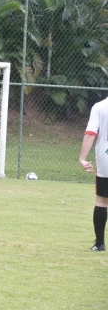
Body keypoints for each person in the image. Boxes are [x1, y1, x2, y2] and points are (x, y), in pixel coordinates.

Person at [79, 97, 108, 251]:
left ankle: (100, 243)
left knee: (102, 200)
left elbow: (90, 134)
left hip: (106, 156)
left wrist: (83, 158)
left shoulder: (100, 107)